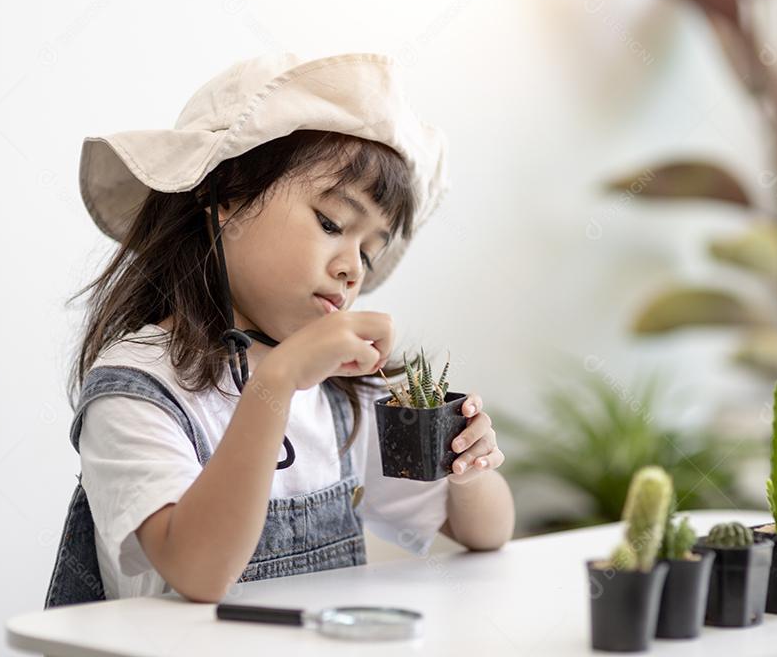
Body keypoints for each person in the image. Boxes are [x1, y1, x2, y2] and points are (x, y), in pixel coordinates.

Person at [44, 53, 514, 607]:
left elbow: (487, 533)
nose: (353, 268)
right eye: (331, 223)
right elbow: (199, 571)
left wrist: (466, 467)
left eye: (370, 249)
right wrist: (277, 382)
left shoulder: (341, 393)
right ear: (226, 197)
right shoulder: (137, 387)